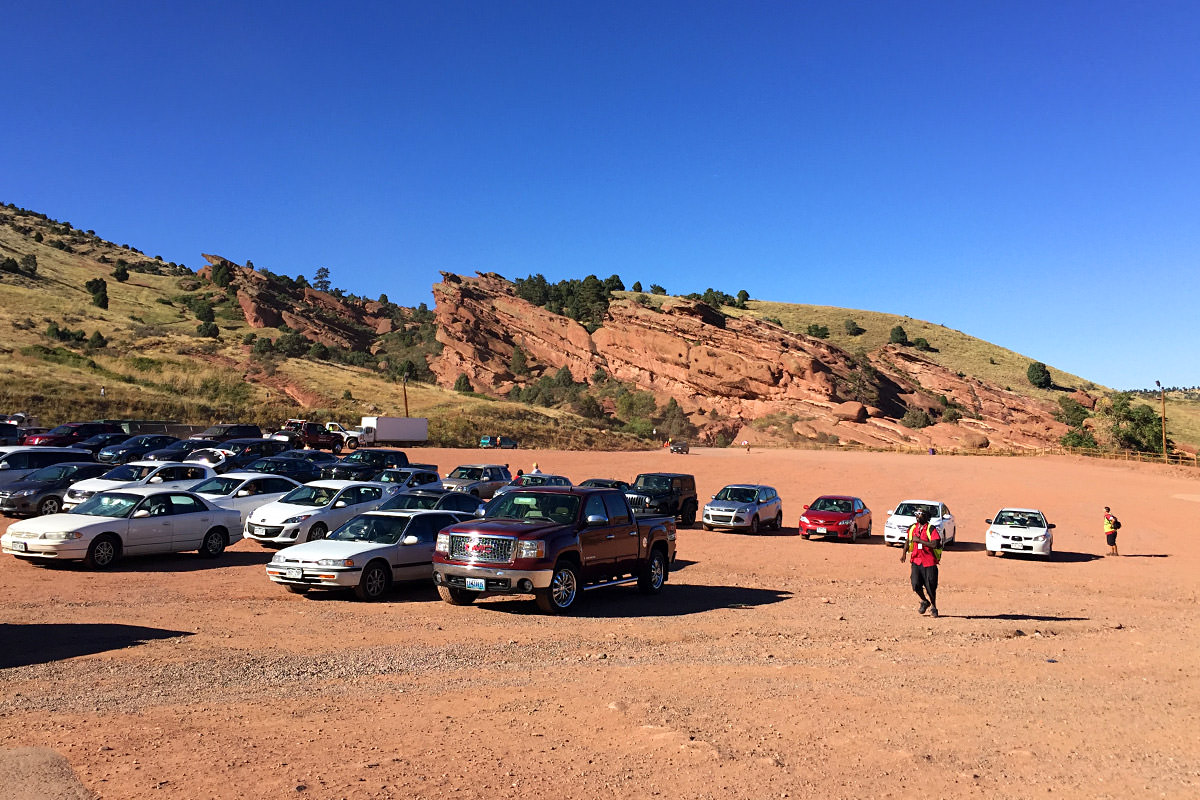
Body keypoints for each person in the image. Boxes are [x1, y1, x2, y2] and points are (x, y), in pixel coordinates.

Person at [900, 507, 942, 617]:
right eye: (917, 513)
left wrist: (920, 541)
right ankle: (924, 601)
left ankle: (933, 607)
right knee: (915, 584)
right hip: (916, 560)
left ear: (926, 517)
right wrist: (904, 553)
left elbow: (935, 544)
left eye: (921, 514)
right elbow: (908, 540)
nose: (918, 515)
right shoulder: (913, 528)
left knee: (930, 586)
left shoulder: (931, 529)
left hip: (929, 562)